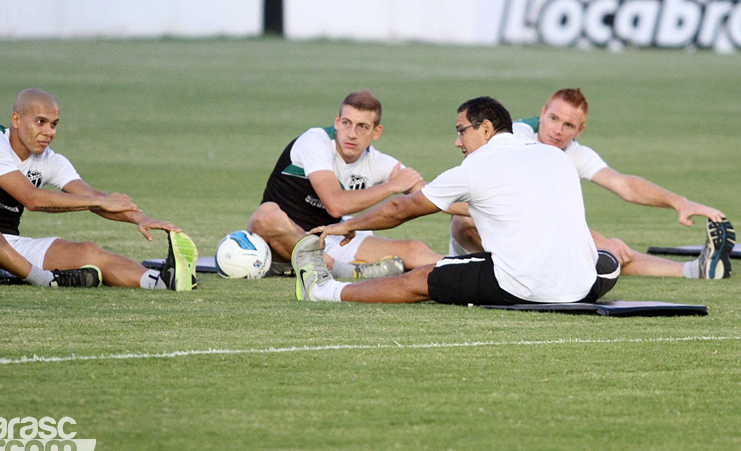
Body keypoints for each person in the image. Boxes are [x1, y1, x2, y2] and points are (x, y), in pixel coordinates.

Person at [291, 96, 620, 304]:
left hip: (520, 285)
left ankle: (325, 291)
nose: (457, 141)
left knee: (422, 277)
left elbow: (401, 209)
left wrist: (349, 228)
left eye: (461, 130)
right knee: (604, 258)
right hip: (580, 284)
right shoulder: (555, 156)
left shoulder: (478, 165)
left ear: (487, 129)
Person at [449, 88, 734, 280]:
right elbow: (469, 198)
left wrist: (680, 203)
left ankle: (695, 270)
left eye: (568, 126)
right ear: (543, 112)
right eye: (553, 118)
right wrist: (593, 238)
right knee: (462, 223)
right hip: (483, 229)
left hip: (527, 241)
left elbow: (625, 185)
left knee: (611, 251)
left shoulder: (573, 152)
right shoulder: (516, 135)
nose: (558, 130)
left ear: (580, 130)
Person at [0, 88, 198, 291]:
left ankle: (160, 280)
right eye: (40, 122)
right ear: (16, 120)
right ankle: (43, 279)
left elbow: (94, 197)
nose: (48, 132)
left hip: (7, 252)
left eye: (53, 124)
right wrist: (98, 202)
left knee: (88, 252)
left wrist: (140, 218)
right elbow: (31, 199)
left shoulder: (51, 160)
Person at [247, 90, 443, 279]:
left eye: (362, 127)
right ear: (337, 122)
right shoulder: (314, 141)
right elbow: (335, 205)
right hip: (285, 243)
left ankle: (468, 267)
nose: (351, 134)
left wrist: (468, 205)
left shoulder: (377, 162)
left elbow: (432, 196)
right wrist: (392, 186)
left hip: (330, 238)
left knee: (413, 250)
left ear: (376, 132)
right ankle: (342, 271)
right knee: (266, 216)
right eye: (346, 123)